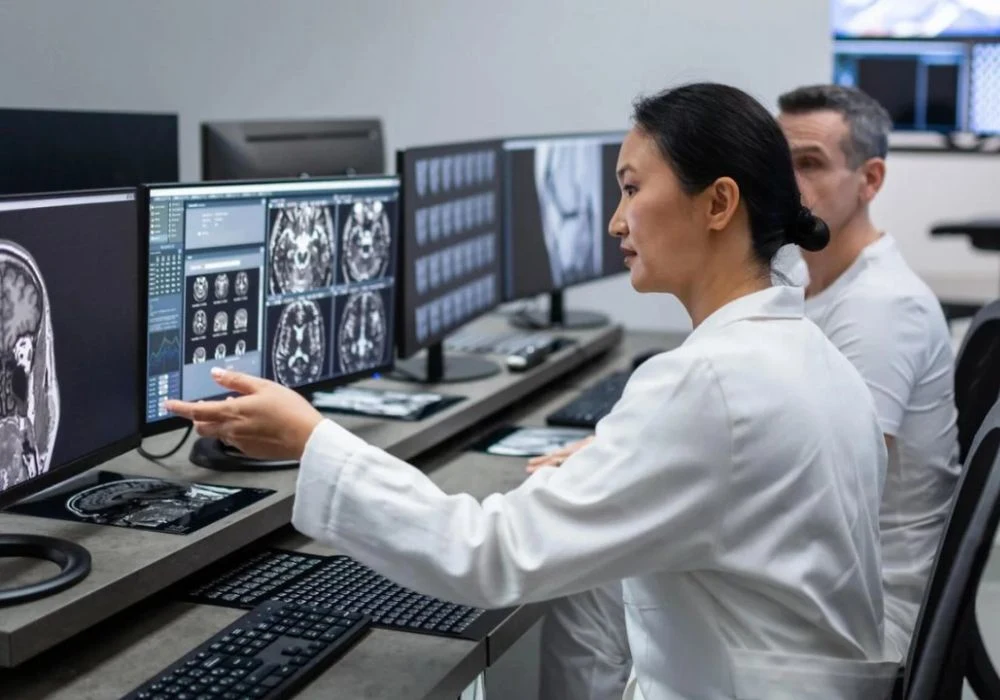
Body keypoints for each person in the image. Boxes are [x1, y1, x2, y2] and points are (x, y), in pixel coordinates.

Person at [166, 82, 899, 699]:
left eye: (633, 190)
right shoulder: (804, 351)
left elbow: (489, 556)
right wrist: (628, 459)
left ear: (718, 204)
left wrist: (311, 438)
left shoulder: (709, 382)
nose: (616, 221)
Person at [531, 84, 961, 699]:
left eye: (809, 164)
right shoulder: (815, 291)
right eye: (780, 162)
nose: (789, 181)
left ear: (870, 180)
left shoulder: (880, 309)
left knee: (591, 574)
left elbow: (806, 451)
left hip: (869, 617)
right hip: (836, 586)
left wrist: (663, 444)